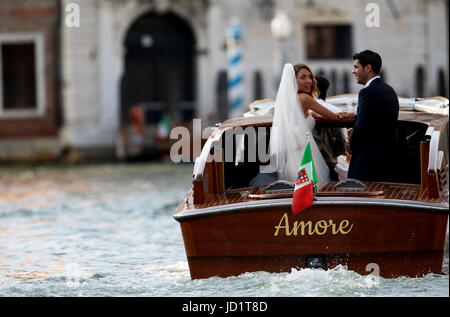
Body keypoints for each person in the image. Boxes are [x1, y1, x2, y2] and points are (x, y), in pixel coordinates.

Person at [267, 63, 346, 184]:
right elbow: (332, 116)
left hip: (291, 159)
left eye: (310, 76)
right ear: (293, 80)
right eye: (303, 77)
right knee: (315, 189)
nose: (309, 81)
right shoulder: (304, 98)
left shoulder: (288, 101)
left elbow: (306, 115)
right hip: (306, 156)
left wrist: (314, 115)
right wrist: (347, 114)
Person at [348, 50, 399, 181]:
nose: (353, 71)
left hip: (366, 166)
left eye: (356, 67)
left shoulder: (367, 92)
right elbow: (377, 118)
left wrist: (350, 146)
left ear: (368, 68)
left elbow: (361, 127)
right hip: (387, 164)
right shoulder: (389, 90)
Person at [312, 75, 349, 180]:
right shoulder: (335, 111)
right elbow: (341, 139)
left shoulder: (304, 111)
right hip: (329, 162)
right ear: (326, 91)